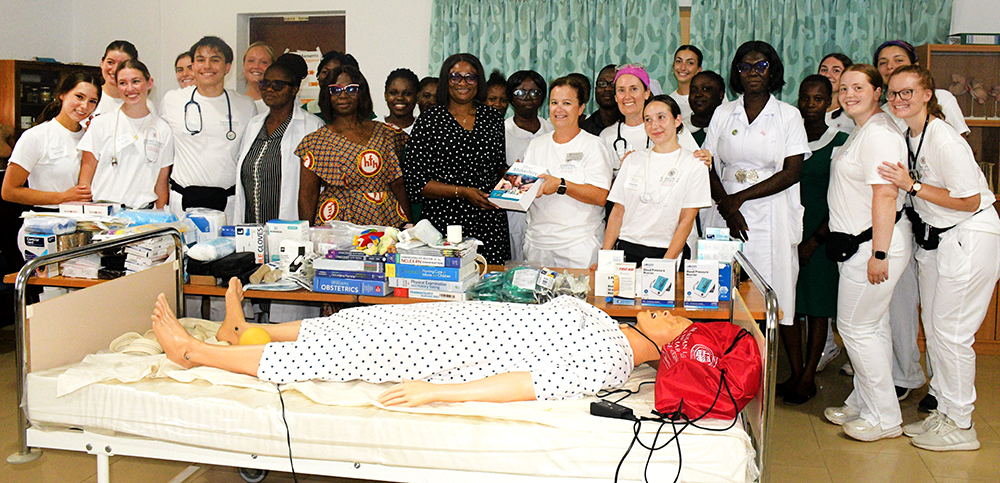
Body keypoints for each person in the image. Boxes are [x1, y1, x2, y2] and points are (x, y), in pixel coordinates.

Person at [150, 277, 690, 406]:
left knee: (341, 352)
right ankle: (247, 331)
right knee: (353, 324)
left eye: (677, 321)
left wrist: (439, 393)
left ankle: (195, 352)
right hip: (454, 323)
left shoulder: (608, 358)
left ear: (667, 350)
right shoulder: (609, 328)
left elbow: (529, 383)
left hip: (450, 353)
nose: (669, 310)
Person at [878, 65, 1000, 451]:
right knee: (936, 329)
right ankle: (945, 413)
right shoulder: (912, 135)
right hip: (937, 242)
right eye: (893, 93)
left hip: (969, 236)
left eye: (907, 92)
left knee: (952, 334)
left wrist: (912, 185)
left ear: (927, 94)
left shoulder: (944, 139)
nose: (899, 100)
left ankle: (962, 424)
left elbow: (970, 200)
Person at [874, 39, 970, 408]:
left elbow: (964, 187)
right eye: (883, 63)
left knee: (945, 327)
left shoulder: (940, 118)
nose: (889, 67)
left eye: (898, 61)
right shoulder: (891, 114)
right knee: (916, 312)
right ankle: (917, 381)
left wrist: (913, 185)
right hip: (918, 225)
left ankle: (946, 399)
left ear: (926, 90)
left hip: (954, 225)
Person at [823, 64, 911, 442]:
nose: (849, 94)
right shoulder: (862, 131)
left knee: (856, 328)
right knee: (873, 327)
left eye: (858, 87)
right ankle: (864, 401)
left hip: (872, 246)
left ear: (878, 91)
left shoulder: (879, 134)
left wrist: (879, 252)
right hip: (859, 245)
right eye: (844, 88)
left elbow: (886, 194)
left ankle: (885, 418)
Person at [702, 40, 809, 329]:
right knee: (722, 291)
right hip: (724, 209)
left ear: (772, 71)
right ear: (736, 73)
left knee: (766, 293)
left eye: (761, 66)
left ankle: (760, 366)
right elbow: (707, 163)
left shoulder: (788, 115)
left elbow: (792, 172)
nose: (753, 72)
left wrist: (738, 200)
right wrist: (727, 205)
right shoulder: (723, 114)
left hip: (769, 212)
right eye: (745, 67)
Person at [781, 75, 850, 406]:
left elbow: (842, 198)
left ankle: (809, 376)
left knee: (818, 307)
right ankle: (794, 373)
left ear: (830, 102)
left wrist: (814, 241)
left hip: (820, 237)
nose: (810, 105)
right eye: (805, 98)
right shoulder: (787, 138)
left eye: (818, 99)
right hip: (785, 233)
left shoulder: (842, 141)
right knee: (788, 305)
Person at [402, 53, 511, 263]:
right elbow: (416, 182)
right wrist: (463, 192)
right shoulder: (429, 120)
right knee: (447, 288)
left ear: (479, 82)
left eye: (470, 77)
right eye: (455, 77)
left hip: (488, 219)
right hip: (444, 222)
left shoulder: (493, 118)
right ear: (446, 81)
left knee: (489, 287)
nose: (463, 83)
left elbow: (497, 166)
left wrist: (520, 178)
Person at [297, 65, 411, 227]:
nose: (343, 95)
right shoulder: (315, 142)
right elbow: (307, 195)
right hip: (337, 224)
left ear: (362, 93)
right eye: (335, 90)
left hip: (384, 219)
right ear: (327, 96)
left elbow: (397, 183)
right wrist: (306, 235)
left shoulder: (387, 133)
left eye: (351, 89)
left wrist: (410, 225)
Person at [603, 95, 711, 264]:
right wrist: (605, 255)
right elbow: (617, 212)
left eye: (661, 117)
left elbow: (687, 220)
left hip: (668, 252)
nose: (654, 126)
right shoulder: (633, 160)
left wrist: (665, 264)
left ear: (677, 120)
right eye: (648, 119)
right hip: (626, 251)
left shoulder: (695, 164)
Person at [160, 36, 257, 223]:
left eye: (215, 59)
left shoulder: (245, 105)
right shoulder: (172, 101)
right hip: (182, 201)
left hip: (228, 203)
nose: (207, 66)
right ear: (193, 65)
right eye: (200, 60)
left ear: (227, 67)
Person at [521, 76, 613, 268]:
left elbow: (600, 196)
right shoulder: (536, 145)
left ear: (581, 109)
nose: (559, 109)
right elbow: (526, 190)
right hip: (538, 243)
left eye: (567, 103)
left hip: (579, 245)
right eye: (554, 103)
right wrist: (513, 185)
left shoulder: (593, 145)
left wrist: (560, 185)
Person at [235, 53, 324, 225]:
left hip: (290, 229)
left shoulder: (312, 127)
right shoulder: (254, 125)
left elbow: (314, 191)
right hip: (251, 228)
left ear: (294, 89)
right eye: (265, 84)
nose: (269, 89)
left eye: (277, 85)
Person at [78, 60, 173, 210]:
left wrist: (161, 216)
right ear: (116, 86)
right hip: (104, 214)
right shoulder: (101, 123)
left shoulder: (162, 129)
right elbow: (85, 180)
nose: (130, 89)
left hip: (143, 216)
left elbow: (161, 184)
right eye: (122, 83)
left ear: (149, 83)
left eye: (136, 81)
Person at [2, 73, 101, 209]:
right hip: (45, 222)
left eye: (92, 101)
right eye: (79, 97)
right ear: (62, 94)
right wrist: (64, 197)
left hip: (83, 221)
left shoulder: (90, 137)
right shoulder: (36, 136)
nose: (84, 106)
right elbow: (9, 191)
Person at [601, 65, 699, 181]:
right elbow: (602, 186)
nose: (627, 96)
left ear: (647, 92)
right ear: (616, 97)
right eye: (621, 90)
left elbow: (696, 166)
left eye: (634, 89)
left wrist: (706, 159)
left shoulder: (669, 127)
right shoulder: (606, 137)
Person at [504, 70, 553, 261]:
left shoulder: (552, 130)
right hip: (513, 215)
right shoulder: (501, 131)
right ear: (510, 98)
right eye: (520, 93)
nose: (528, 98)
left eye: (535, 92)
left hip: (547, 212)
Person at [90, 40, 156, 120]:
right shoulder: (88, 98)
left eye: (122, 65)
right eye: (110, 62)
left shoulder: (145, 106)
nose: (115, 69)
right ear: (102, 63)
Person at [304, 50, 358, 122]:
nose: (328, 77)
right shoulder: (306, 111)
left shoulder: (363, 114)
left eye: (335, 72)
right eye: (325, 72)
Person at [684, 71, 727, 146]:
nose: (698, 94)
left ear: (721, 95)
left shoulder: (730, 128)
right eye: (693, 90)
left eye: (705, 89)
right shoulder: (679, 130)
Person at [580, 65, 622, 136]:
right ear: (595, 89)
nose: (607, 88)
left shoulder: (629, 124)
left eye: (613, 84)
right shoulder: (584, 129)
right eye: (602, 83)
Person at [819, 53, 855, 134]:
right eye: (824, 70)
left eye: (836, 71)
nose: (828, 75)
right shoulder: (809, 110)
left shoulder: (852, 113)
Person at [669, 45, 704, 120]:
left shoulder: (710, 96)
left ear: (698, 69)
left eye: (690, 63)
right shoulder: (670, 102)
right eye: (678, 61)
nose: (683, 67)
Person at [383, 68, 419, 133]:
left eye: (407, 94)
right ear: (385, 95)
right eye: (393, 93)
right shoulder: (372, 127)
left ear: (417, 97)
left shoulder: (424, 128)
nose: (400, 98)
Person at [242, 42, 275, 113]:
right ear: (244, 65)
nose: (256, 66)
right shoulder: (235, 103)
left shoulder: (279, 104)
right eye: (251, 61)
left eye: (264, 62)